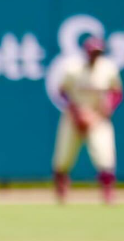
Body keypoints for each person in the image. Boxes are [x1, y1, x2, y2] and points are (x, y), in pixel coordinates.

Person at [52, 37, 123, 205]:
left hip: (98, 118)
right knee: (63, 157)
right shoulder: (73, 69)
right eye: (92, 52)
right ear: (86, 52)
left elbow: (117, 92)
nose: (95, 55)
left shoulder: (108, 69)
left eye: (98, 52)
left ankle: (108, 192)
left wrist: (106, 109)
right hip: (73, 118)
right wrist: (76, 112)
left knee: (105, 156)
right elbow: (62, 92)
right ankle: (61, 189)